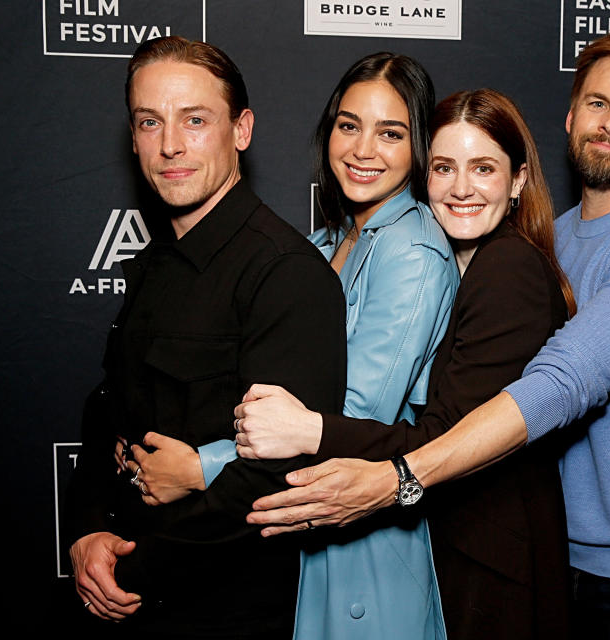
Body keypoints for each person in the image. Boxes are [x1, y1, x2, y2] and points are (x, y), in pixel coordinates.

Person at [246, 29, 610, 640]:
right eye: (598, 103)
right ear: (571, 114)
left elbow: (559, 385)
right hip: (555, 544)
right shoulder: (554, 236)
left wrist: (396, 477)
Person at [118, 52, 458, 640]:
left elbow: (355, 418)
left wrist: (202, 466)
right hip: (298, 530)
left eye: (392, 132)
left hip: (360, 540)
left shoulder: (413, 250)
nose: (363, 150)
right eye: (349, 126)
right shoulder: (326, 240)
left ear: (418, 146)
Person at [233, 88, 577, 639]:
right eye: (444, 167)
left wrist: (309, 429)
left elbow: (444, 437)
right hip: (463, 551)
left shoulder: (508, 266)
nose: (461, 188)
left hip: (491, 569)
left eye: (483, 168)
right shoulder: (466, 268)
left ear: (516, 182)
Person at [62, 36, 347, 638]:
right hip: (127, 595)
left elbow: (278, 481)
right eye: (150, 121)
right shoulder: (155, 261)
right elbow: (106, 411)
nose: (170, 145)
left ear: (241, 130)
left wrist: (131, 565)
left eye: (195, 120)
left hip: (221, 610)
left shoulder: (285, 274)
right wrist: (87, 531)